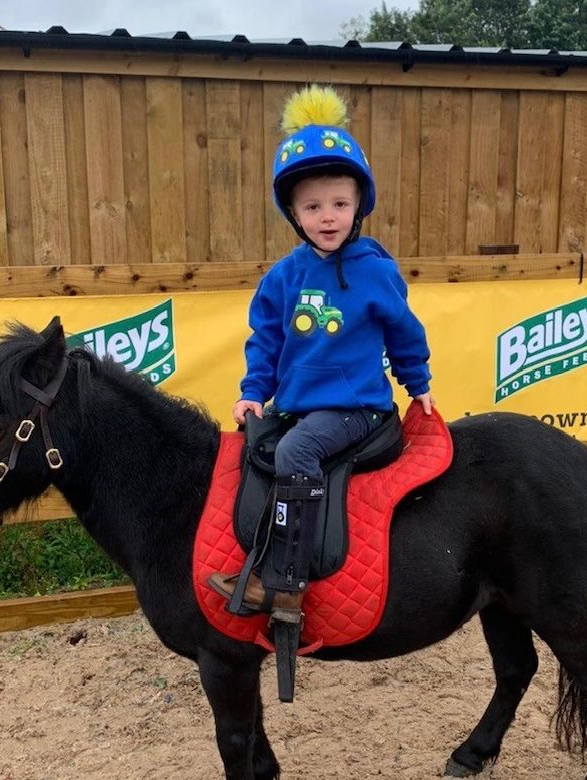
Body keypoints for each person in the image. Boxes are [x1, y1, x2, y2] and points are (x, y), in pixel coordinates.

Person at [208, 85, 433, 622]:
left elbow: (404, 330)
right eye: (313, 206)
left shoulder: (376, 272)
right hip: (297, 404)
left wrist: (416, 381)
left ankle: (283, 583)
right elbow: (265, 337)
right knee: (257, 453)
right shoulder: (283, 277)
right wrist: (252, 392)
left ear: (358, 206)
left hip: (356, 408)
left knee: (294, 455)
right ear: (293, 212)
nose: (327, 216)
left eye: (339, 203)